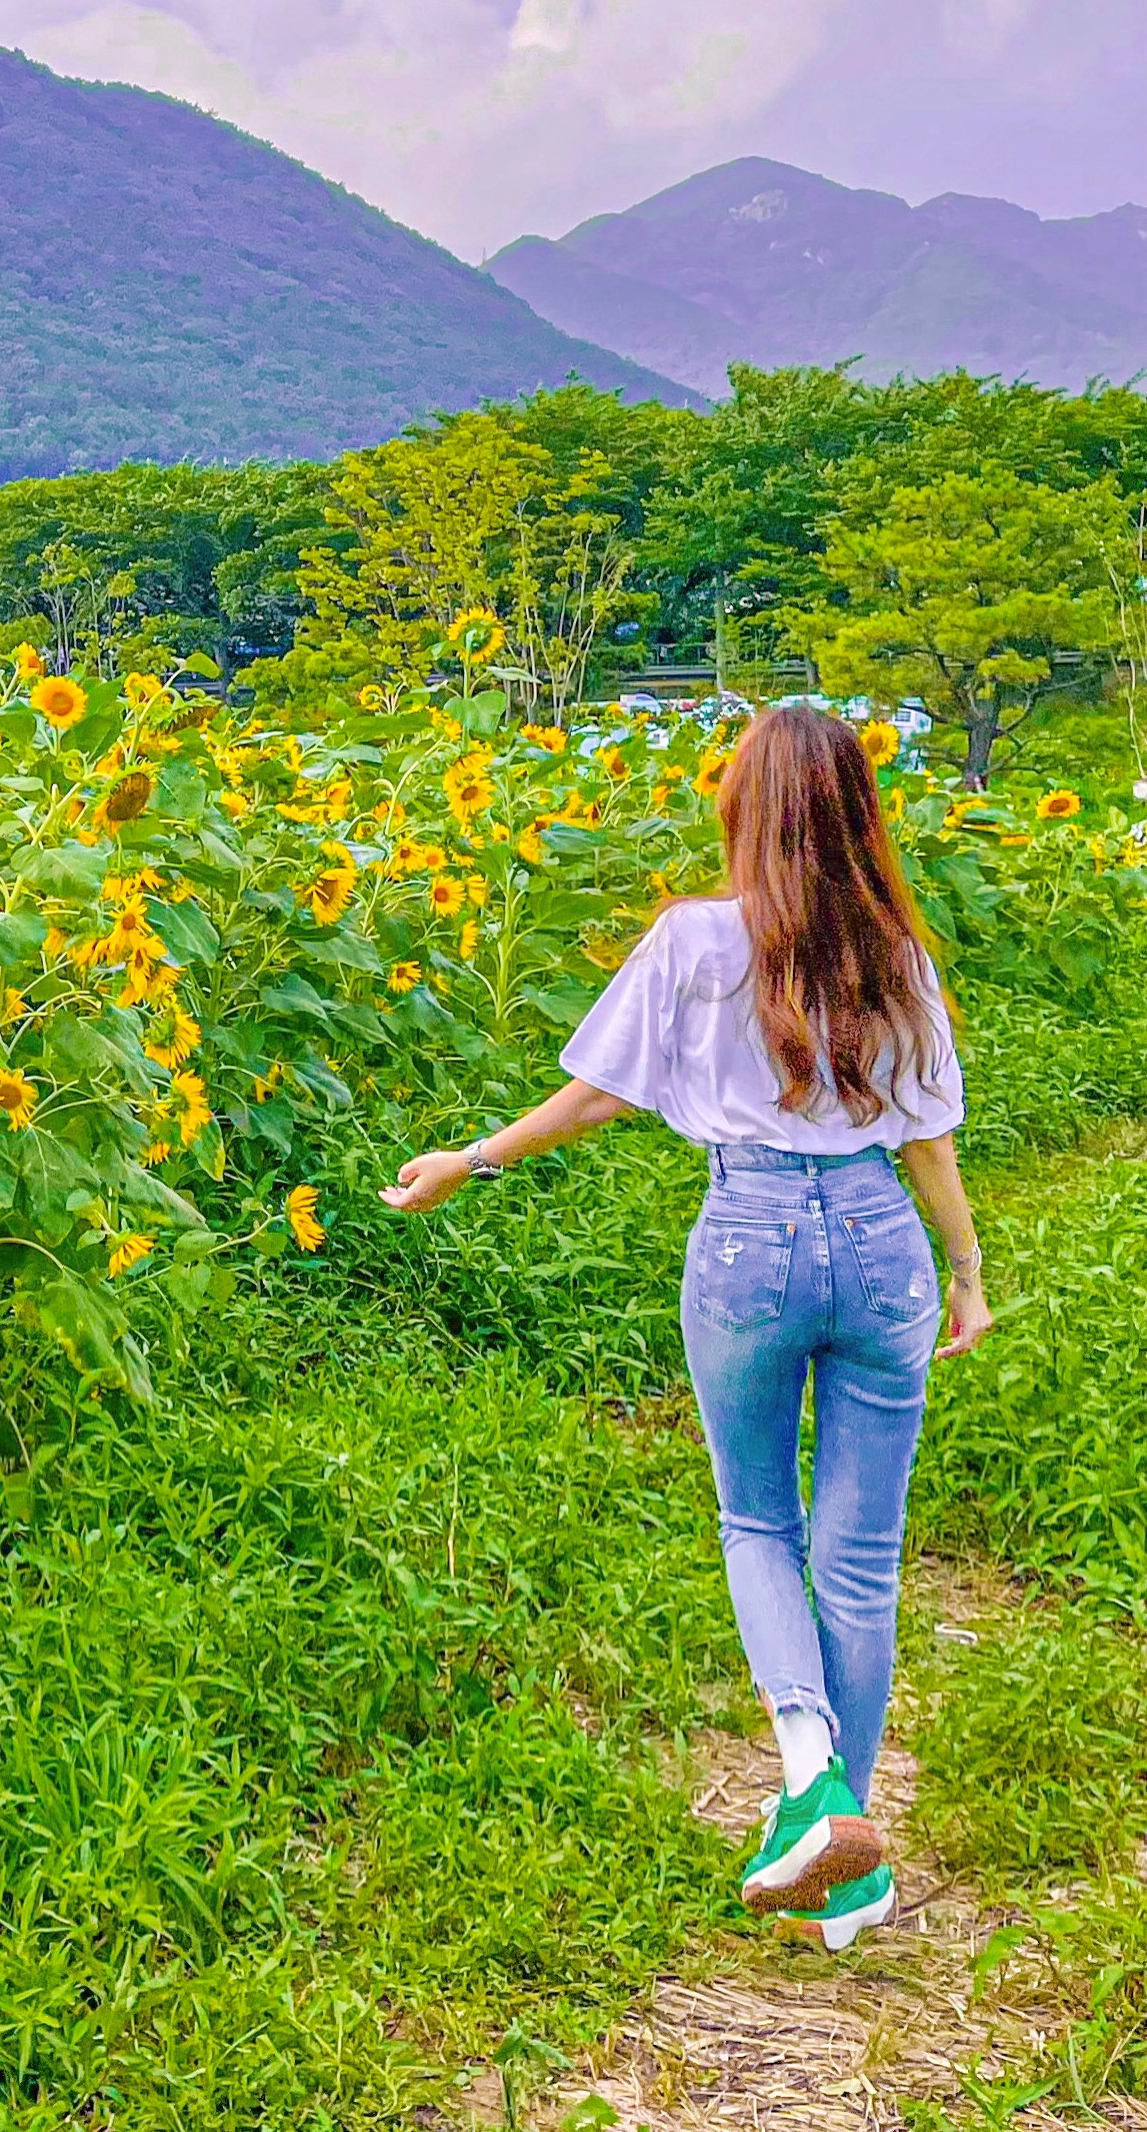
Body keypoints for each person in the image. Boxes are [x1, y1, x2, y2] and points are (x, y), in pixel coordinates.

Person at [382, 702, 993, 1953]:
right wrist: (968, 1267)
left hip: (750, 1238)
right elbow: (927, 1134)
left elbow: (597, 1095)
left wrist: (468, 1158)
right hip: (883, 1244)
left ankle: (811, 1779)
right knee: (862, 1556)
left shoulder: (692, 940)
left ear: (743, 810)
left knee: (757, 1517)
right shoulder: (895, 952)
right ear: (858, 816)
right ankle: (845, 1850)